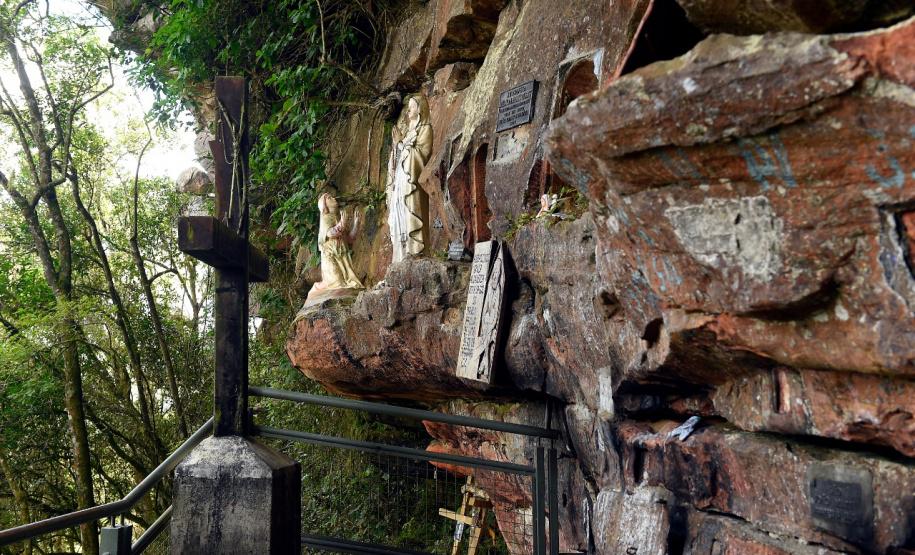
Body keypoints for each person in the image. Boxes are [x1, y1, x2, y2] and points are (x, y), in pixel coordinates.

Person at [387, 95, 433, 263]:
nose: (408, 110)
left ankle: (416, 252)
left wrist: (400, 144)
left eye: (412, 107)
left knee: (412, 213)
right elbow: (401, 156)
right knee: (400, 217)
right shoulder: (409, 132)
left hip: (411, 184)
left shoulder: (426, 129)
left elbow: (421, 156)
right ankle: (401, 257)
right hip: (401, 182)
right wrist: (398, 147)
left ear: (420, 109)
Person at [307, 193, 364, 298]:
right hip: (330, 255)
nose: (333, 198)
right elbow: (329, 234)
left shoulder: (337, 218)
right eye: (329, 198)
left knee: (348, 283)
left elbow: (348, 239)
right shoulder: (326, 218)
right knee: (337, 284)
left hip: (342, 255)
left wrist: (356, 224)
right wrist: (342, 224)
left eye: (332, 196)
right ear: (325, 205)